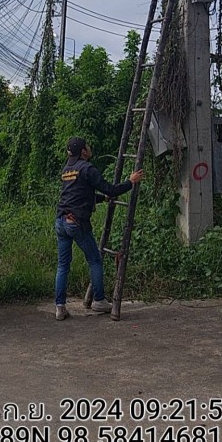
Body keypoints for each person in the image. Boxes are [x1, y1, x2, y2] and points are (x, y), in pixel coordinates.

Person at [55, 136, 144, 319]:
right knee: (95, 260)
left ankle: (60, 307)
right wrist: (131, 182)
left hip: (61, 221)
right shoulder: (88, 169)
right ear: (83, 152)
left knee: (63, 265)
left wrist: (102, 199)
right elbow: (110, 189)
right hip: (76, 222)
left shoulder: (67, 170)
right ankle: (99, 300)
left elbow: (79, 195)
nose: (89, 147)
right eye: (87, 145)